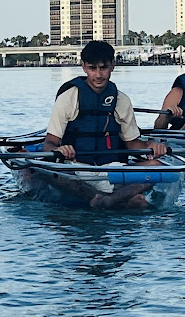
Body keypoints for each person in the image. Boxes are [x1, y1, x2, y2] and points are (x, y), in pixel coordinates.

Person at [42, 40, 168, 208]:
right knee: (53, 173)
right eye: (93, 68)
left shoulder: (122, 100)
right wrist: (59, 150)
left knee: (158, 167)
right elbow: (49, 143)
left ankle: (105, 200)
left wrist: (151, 145)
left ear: (113, 66)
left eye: (104, 68)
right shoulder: (68, 97)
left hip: (112, 169)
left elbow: (132, 144)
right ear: (84, 67)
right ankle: (117, 199)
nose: (99, 75)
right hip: (77, 168)